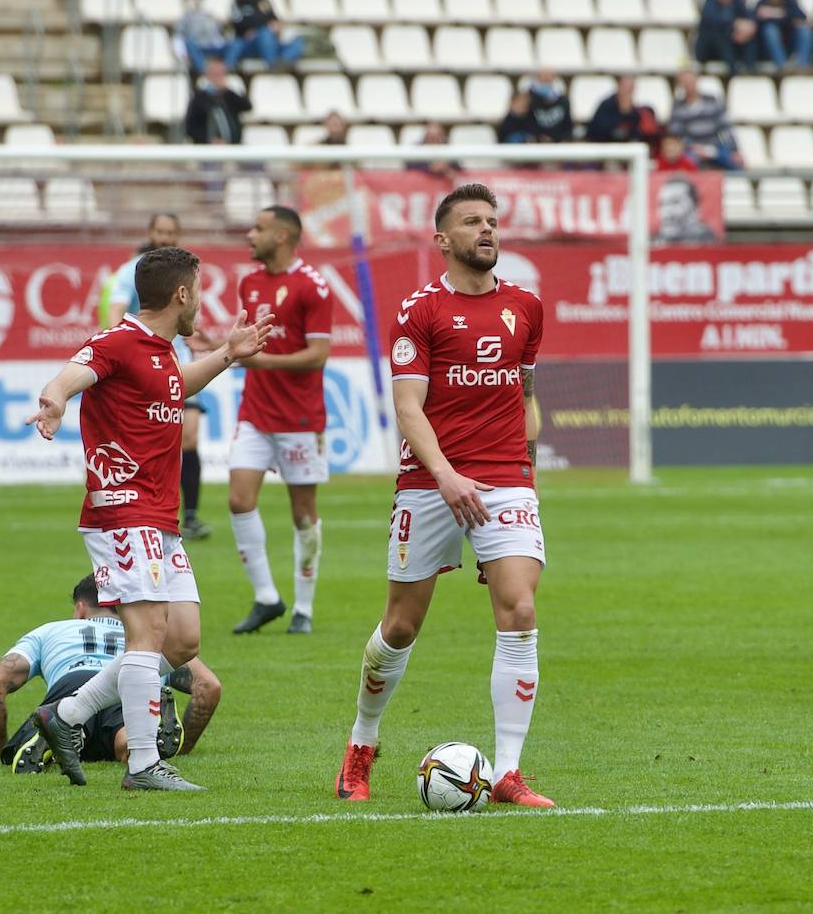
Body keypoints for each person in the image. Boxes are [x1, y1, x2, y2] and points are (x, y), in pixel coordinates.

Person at [334, 183, 553, 808]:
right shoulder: (420, 311)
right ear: (442, 239)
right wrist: (448, 476)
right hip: (429, 482)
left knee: (520, 611)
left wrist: (527, 470)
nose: (487, 230)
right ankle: (362, 742)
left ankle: (508, 772)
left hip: (507, 478)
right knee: (401, 626)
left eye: (492, 221)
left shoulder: (527, 307)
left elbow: (526, 392)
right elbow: (408, 409)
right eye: (471, 222)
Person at [24, 247, 273, 790]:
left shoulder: (160, 353)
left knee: (180, 640)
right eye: (199, 291)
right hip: (121, 510)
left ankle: (63, 717)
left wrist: (229, 353)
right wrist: (55, 400)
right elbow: (73, 371)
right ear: (182, 294)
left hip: (159, 516)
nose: (201, 302)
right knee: (147, 633)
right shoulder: (120, 340)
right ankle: (142, 764)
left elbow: (176, 388)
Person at [0, 574, 222, 774]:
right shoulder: (147, 636)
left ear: (80, 608)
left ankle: (51, 739)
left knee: (59, 722)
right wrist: (184, 749)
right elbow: (208, 687)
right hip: (129, 681)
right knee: (130, 737)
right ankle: (144, 745)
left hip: (71, 682)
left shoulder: (51, 631)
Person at [228, 206, 332, 636]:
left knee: (303, 515)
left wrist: (262, 360)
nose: (250, 234)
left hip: (300, 419)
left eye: (260, 228)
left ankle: (303, 609)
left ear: (283, 237)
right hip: (255, 412)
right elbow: (250, 342)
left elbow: (318, 354)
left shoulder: (313, 286)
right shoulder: (249, 283)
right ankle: (267, 597)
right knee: (238, 500)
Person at [99, 214, 212, 541]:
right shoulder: (133, 270)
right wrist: (117, 343)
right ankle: (138, 509)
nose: (165, 237)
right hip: (143, 362)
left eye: (171, 233)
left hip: (178, 359)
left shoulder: (184, 272)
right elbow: (116, 310)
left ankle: (189, 515)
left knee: (189, 437)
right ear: (150, 234)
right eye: (160, 232)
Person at [668, 69, 743, 171]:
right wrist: (692, 147)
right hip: (691, 149)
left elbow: (725, 128)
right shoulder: (678, 107)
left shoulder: (712, 101)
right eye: (685, 82)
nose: (688, 85)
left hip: (715, 147)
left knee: (734, 162)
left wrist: (734, 150)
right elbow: (677, 134)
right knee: (687, 164)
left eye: (691, 81)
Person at [185, 58, 252, 145]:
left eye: (221, 73)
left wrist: (227, 90)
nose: (218, 77)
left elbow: (247, 107)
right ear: (207, 75)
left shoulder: (229, 96)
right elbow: (190, 127)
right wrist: (210, 141)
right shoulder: (199, 98)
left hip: (234, 149)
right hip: (208, 150)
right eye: (215, 74)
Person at [224, 0, 303, 70]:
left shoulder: (264, 2)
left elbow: (275, 22)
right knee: (264, 33)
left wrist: (275, 27)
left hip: (271, 42)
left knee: (297, 40)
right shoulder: (238, 4)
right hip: (250, 45)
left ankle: (284, 60)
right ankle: (272, 64)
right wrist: (262, 29)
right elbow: (240, 25)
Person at [585, 75, 660, 147]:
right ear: (618, 86)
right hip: (604, 149)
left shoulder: (638, 112)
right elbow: (600, 132)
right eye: (625, 86)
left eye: (631, 87)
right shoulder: (606, 107)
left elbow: (639, 133)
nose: (628, 90)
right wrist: (624, 113)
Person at [695, 0, 756, 76]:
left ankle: (749, 68)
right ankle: (733, 71)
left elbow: (746, 20)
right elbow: (713, 21)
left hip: (732, 45)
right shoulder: (710, 3)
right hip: (707, 51)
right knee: (717, 35)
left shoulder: (736, 3)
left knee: (750, 35)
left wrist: (743, 32)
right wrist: (735, 24)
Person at [654, 176, 719, 244]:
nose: (666, 213)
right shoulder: (656, 241)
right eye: (662, 204)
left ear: (696, 208)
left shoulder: (709, 243)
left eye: (675, 202)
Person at [753, 0, 813, 70]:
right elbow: (757, 22)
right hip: (767, 48)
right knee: (770, 29)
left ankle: (803, 65)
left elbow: (802, 17)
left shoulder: (789, 2)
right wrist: (787, 18)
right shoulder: (762, 3)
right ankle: (782, 67)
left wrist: (773, 14)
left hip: (790, 44)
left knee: (805, 30)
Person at [176, 0, 229, 74]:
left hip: (212, 48)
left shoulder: (210, 16)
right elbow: (178, 38)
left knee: (234, 44)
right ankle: (205, 72)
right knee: (189, 42)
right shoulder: (185, 18)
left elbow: (218, 36)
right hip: (197, 49)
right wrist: (182, 53)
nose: (195, 2)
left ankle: (224, 69)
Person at [526, 69, 575, 144]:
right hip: (536, 143)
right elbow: (528, 125)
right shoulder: (529, 100)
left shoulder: (563, 101)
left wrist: (557, 138)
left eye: (548, 77)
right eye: (543, 77)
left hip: (558, 142)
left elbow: (568, 126)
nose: (546, 80)